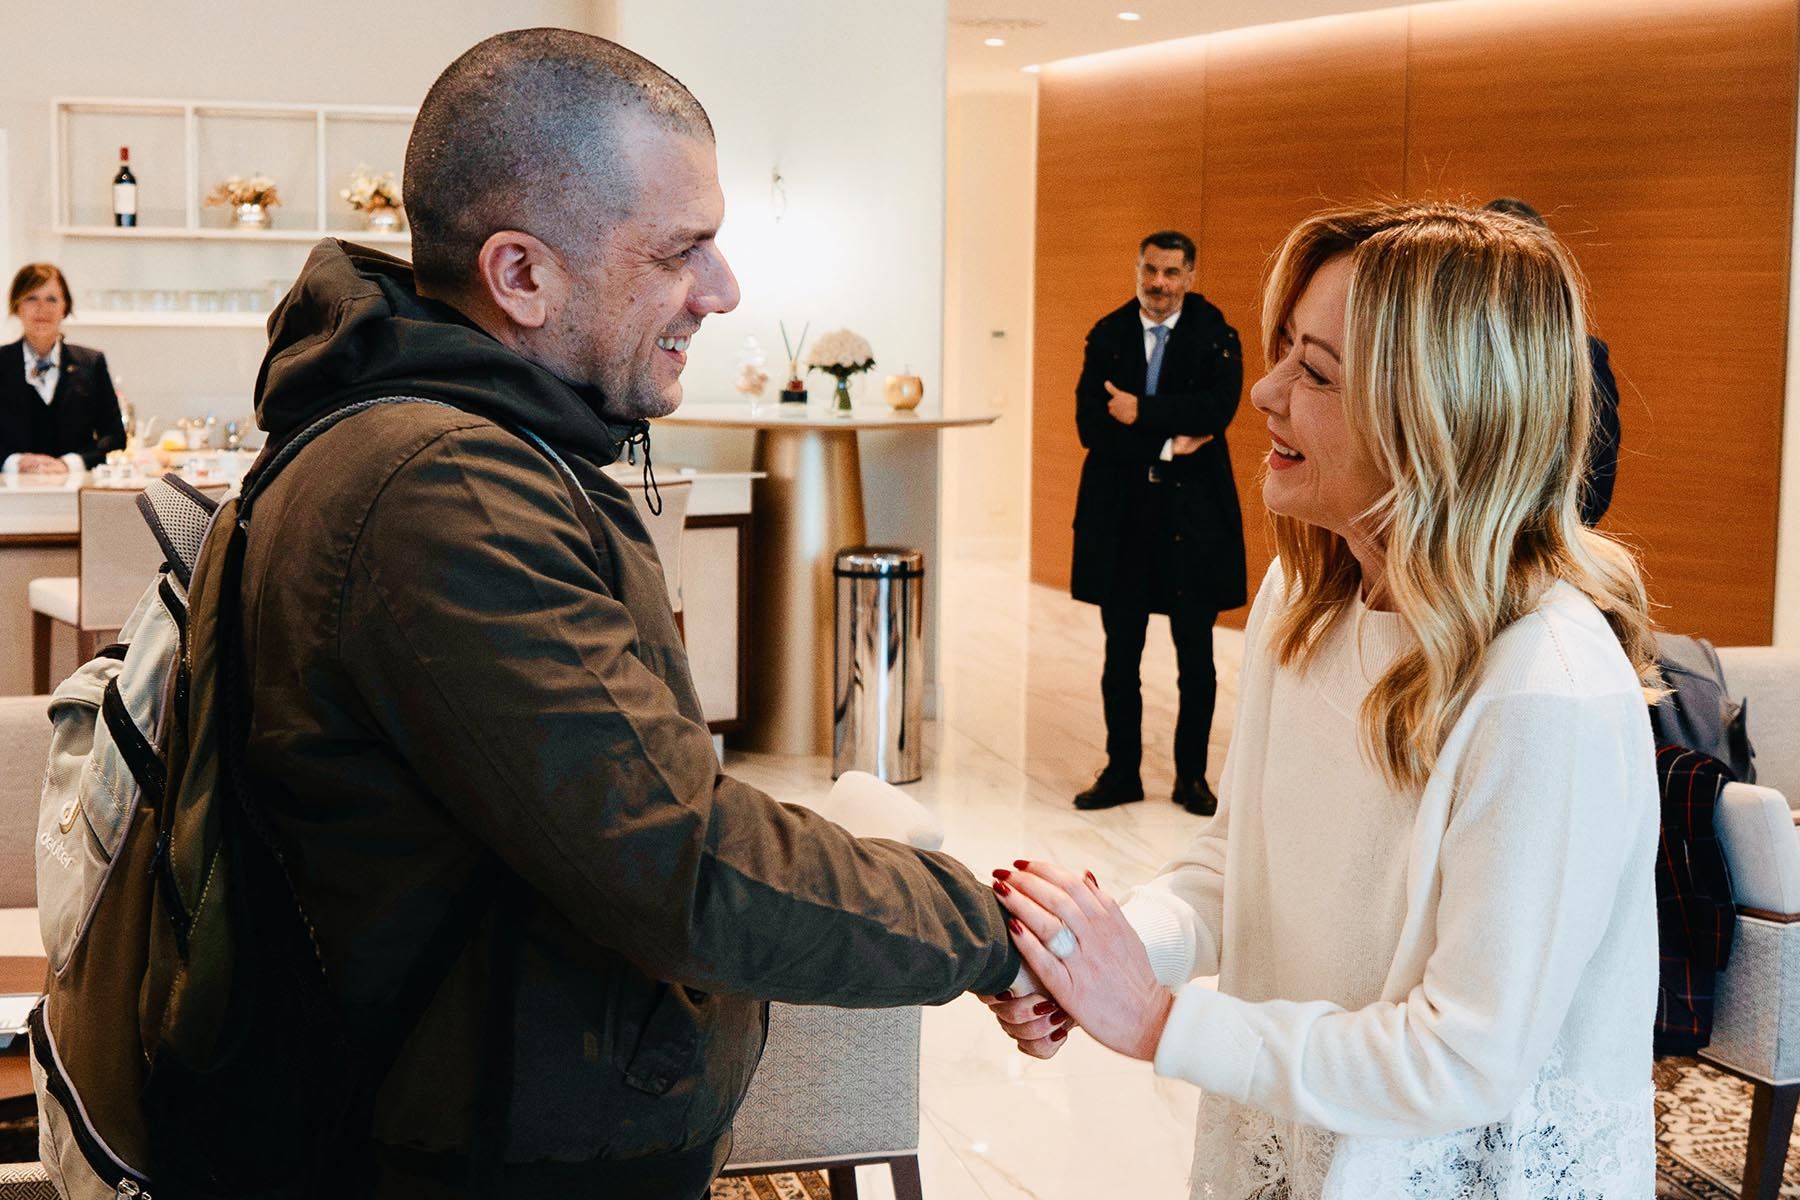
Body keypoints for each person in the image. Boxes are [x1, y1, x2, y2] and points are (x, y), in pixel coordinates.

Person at [229, 29, 1019, 1197]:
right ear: (522, 275)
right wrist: (993, 933)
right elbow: (680, 862)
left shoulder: (457, 447)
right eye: (680, 250)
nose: (724, 290)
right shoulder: (446, 494)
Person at [986, 202, 1663, 1198]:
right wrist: (1108, 959)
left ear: (1434, 418)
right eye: (1283, 355)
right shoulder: (1302, 600)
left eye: (1315, 371)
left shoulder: (1546, 687)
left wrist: (1162, 1022)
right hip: (1300, 1150)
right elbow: (1235, 867)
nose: (1262, 392)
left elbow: (1463, 1060)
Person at [1070, 230, 1246, 817]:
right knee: (1121, 655)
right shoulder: (1108, 333)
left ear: (1190, 275)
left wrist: (1140, 411)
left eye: (1172, 272)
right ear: (1136, 267)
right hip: (1123, 518)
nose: (1159, 284)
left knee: (1196, 657)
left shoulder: (1216, 334)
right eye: (1150, 269)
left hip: (1191, 523)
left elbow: (1217, 410)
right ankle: (1122, 772)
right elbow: (1092, 425)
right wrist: (1168, 444)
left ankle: (1191, 778)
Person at [1481, 197, 1622, 525]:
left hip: (1539, 545)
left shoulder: (1583, 360)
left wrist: (1539, 537)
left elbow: (1596, 483)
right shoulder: (1449, 354)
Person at [1, 263, 125, 475]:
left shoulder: (92, 363)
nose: (42, 308)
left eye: (51, 299)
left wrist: (71, 463)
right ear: (17, 306)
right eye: (32, 298)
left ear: (64, 308)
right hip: (9, 496)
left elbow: (114, 437)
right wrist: (12, 462)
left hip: (75, 493)